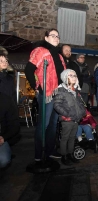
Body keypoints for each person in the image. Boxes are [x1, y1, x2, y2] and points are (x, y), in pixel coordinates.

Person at [25, 28, 66, 162]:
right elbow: (29, 69)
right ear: (46, 38)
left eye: (58, 36)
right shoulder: (40, 51)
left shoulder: (60, 56)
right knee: (44, 124)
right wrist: (36, 87)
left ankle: (49, 150)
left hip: (58, 94)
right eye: (53, 35)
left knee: (53, 124)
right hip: (46, 94)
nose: (56, 38)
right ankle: (39, 154)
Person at [53, 69, 86, 165]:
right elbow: (57, 105)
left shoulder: (75, 91)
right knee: (65, 138)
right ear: (65, 77)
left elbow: (80, 104)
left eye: (75, 75)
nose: (74, 77)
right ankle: (64, 156)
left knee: (72, 138)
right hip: (67, 120)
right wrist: (67, 114)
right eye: (71, 75)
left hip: (76, 119)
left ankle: (70, 154)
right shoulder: (61, 90)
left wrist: (82, 112)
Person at [0, 93, 20, 169]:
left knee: (3, 159)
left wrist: (3, 137)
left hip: (1, 138)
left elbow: (15, 125)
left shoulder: (6, 100)